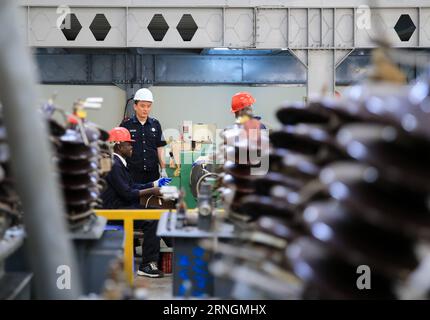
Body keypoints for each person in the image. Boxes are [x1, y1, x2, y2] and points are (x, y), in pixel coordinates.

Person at [101, 127, 172, 278]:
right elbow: (127, 194)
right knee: (153, 220)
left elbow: (131, 186)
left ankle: (176, 249)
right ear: (119, 146)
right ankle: (147, 265)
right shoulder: (114, 165)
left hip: (123, 206)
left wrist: (154, 184)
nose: (132, 146)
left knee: (160, 213)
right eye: (129, 144)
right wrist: (152, 191)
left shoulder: (119, 163)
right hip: (116, 210)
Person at [120, 88, 168, 185]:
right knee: (134, 198)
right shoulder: (126, 125)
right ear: (135, 106)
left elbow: (160, 148)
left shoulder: (156, 124)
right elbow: (119, 149)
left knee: (152, 199)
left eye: (148, 106)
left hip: (152, 173)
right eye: (142, 106)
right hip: (133, 173)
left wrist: (163, 169)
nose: (145, 109)